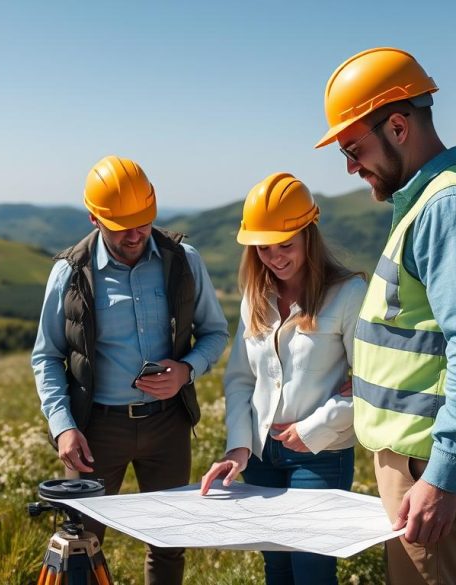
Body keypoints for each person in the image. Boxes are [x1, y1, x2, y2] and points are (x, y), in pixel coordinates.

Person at [314, 47, 456, 584]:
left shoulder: (449, 209)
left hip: (431, 468)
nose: (349, 165)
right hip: (422, 463)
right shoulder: (430, 202)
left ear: (400, 127)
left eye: (354, 147)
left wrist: (443, 475)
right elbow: (426, 333)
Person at [32, 154, 229, 585]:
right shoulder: (69, 272)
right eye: (123, 226)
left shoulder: (184, 260)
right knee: (80, 546)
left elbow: (215, 333)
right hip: (95, 432)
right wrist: (63, 427)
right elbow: (46, 356)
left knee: (170, 542)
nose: (137, 233)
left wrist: (186, 370)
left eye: (144, 220)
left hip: (168, 427)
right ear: (94, 218)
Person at [199, 172, 366, 585]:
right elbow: (240, 379)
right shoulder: (255, 298)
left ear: (309, 235)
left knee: (311, 569)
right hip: (259, 457)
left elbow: (367, 385)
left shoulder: (348, 294)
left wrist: (312, 429)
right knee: (276, 567)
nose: (274, 257)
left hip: (322, 453)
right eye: (263, 248)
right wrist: (238, 447)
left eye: (285, 245)